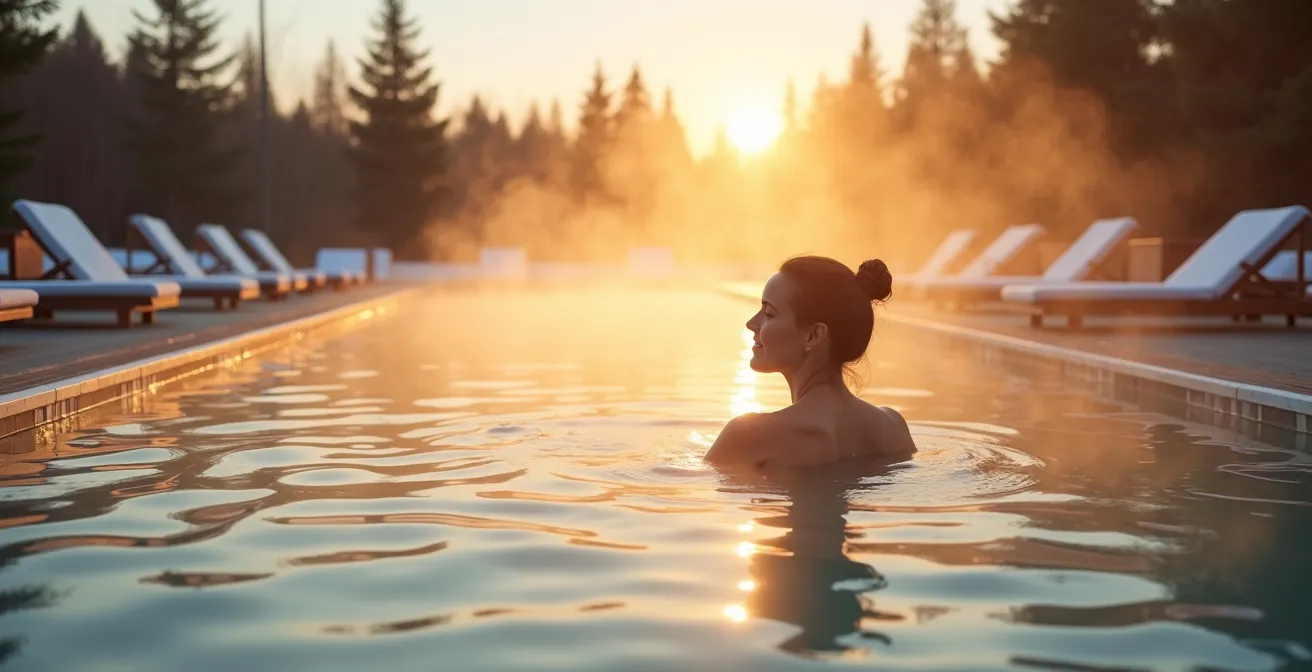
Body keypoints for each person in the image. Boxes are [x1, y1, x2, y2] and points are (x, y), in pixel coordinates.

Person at [704, 255, 916, 467]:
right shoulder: (892, 428)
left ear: (814, 335)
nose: (751, 323)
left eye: (769, 313)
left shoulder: (750, 436)